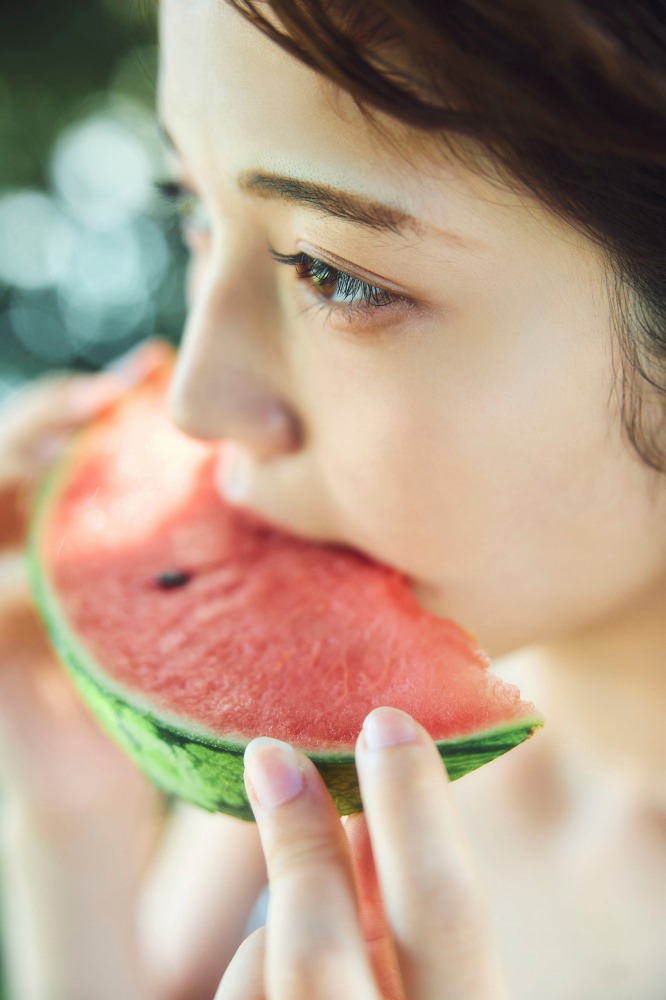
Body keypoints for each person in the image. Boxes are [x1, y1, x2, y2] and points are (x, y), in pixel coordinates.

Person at [1, 0, 665, 997]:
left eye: (334, 273)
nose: (198, 399)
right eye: (190, 206)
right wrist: (69, 824)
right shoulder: (324, 780)